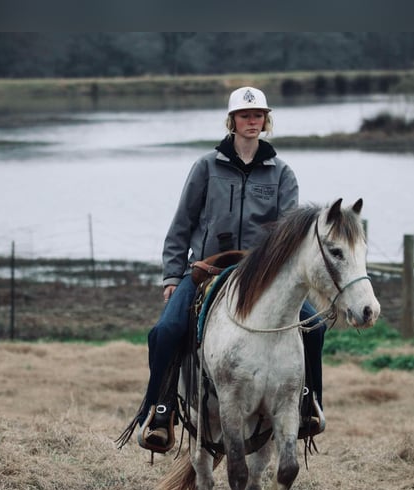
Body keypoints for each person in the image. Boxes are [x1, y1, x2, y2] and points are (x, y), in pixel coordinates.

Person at [121, 86, 326, 454]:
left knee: (315, 327)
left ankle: (308, 405)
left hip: (261, 274)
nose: (253, 121)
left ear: (266, 121)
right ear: (231, 121)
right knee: (166, 331)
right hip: (208, 270)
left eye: (259, 115)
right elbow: (181, 224)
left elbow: (288, 235)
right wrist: (172, 276)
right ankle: (160, 411)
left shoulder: (281, 173)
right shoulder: (205, 167)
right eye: (246, 115)